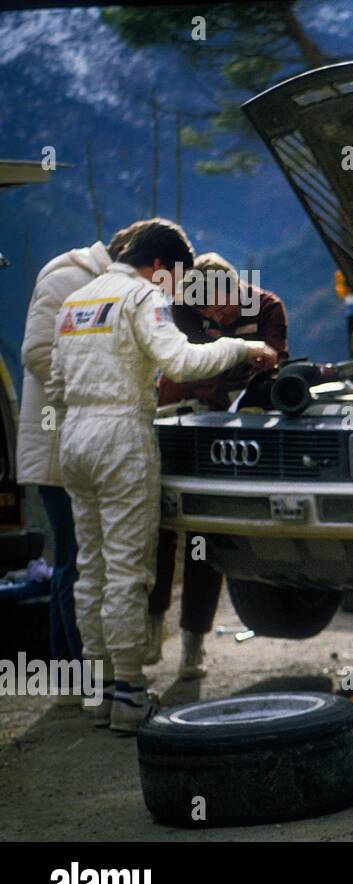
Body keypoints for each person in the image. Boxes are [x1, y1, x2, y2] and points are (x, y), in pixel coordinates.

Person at [47, 220, 278, 733]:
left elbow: (57, 383)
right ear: (159, 268)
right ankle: (131, 692)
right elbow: (182, 359)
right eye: (176, 280)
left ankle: (101, 689)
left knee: (92, 569)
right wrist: (244, 350)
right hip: (121, 437)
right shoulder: (139, 297)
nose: (178, 294)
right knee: (129, 569)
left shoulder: (77, 301)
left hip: (73, 439)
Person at [16, 221, 148, 705]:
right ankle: (82, 677)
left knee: (74, 559)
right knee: (76, 560)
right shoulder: (64, 278)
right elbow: (36, 353)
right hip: (58, 442)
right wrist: (98, 388)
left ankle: (73, 676)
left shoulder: (100, 283)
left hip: (80, 436)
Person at [149, 252, 289, 680]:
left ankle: (194, 639)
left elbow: (273, 366)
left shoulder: (267, 307)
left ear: (239, 288)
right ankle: (151, 624)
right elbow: (189, 364)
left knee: (204, 536)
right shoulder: (187, 307)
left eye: (221, 305)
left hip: (234, 427)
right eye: (205, 310)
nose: (215, 314)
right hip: (183, 419)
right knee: (160, 528)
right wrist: (236, 354)